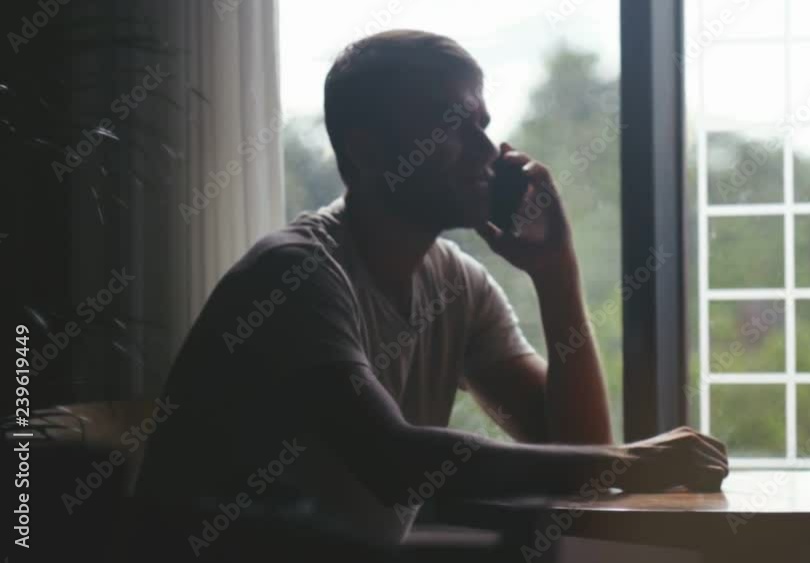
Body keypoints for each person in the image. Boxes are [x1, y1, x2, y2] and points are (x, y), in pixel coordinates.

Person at [134, 29, 728, 545]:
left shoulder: (456, 283)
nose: (488, 151)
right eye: (453, 124)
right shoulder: (293, 274)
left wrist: (556, 275)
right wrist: (633, 462)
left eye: (484, 127)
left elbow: (576, 443)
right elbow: (395, 460)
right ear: (366, 149)